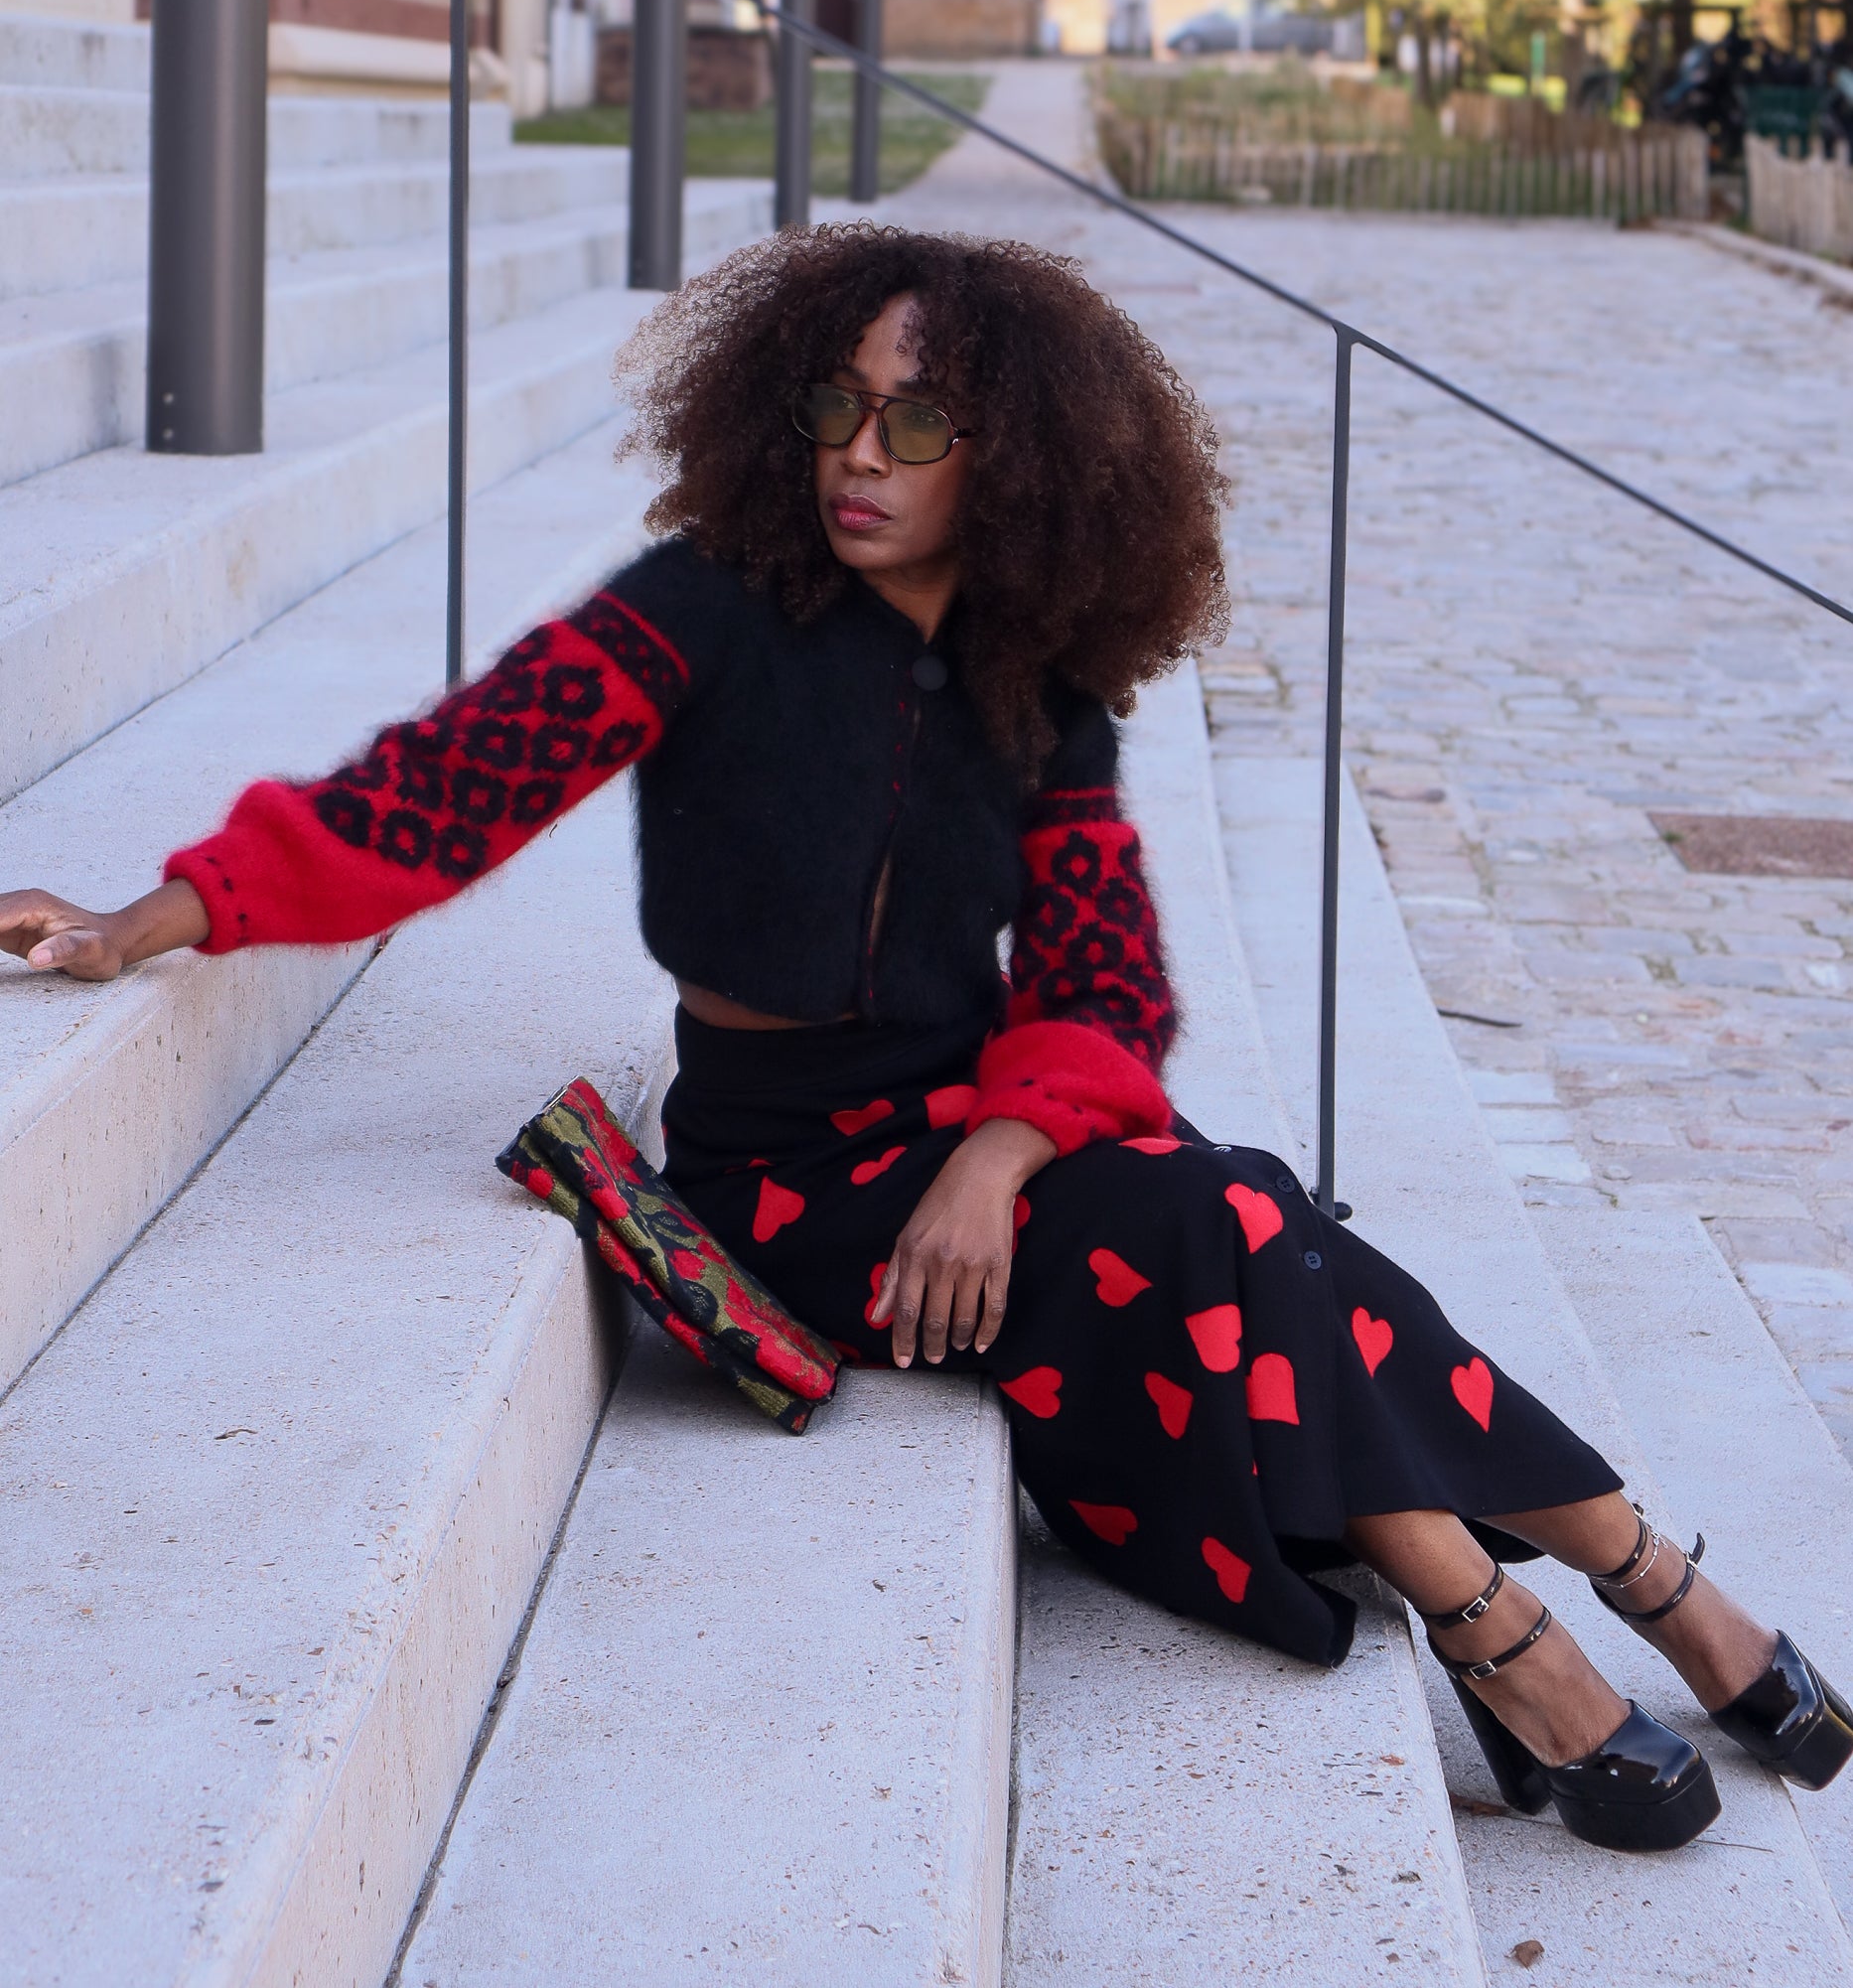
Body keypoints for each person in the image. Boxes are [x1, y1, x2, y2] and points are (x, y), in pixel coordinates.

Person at [5, 227, 1847, 1856]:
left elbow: (1101, 987)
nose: (860, 458)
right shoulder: (700, 612)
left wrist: (996, 1152)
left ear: (1016, 459)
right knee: (1232, 1218)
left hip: (979, 1139)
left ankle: (1569, 1613)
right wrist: (151, 915)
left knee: (1239, 1218)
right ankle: (1575, 1607)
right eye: (835, 410)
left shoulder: (1043, 686)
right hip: (790, 1175)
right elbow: (440, 789)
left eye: (917, 423)